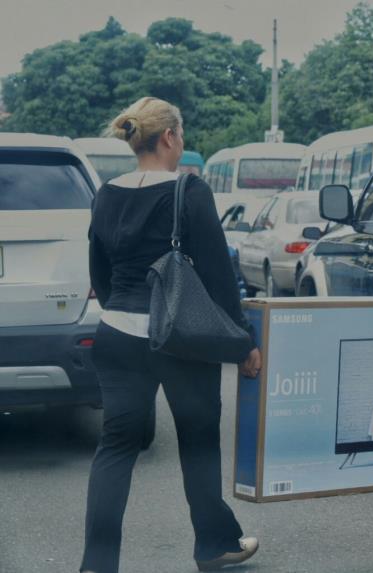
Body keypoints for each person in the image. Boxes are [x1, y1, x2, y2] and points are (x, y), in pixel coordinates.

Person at [81, 97, 262, 573]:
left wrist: (122, 306)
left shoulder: (107, 193)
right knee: (199, 443)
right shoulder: (190, 191)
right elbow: (220, 278)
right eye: (180, 136)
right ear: (168, 137)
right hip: (182, 339)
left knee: (115, 450)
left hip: (117, 335)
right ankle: (213, 545)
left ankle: (96, 566)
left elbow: (99, 271)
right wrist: (244, 342)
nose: (182, 144)